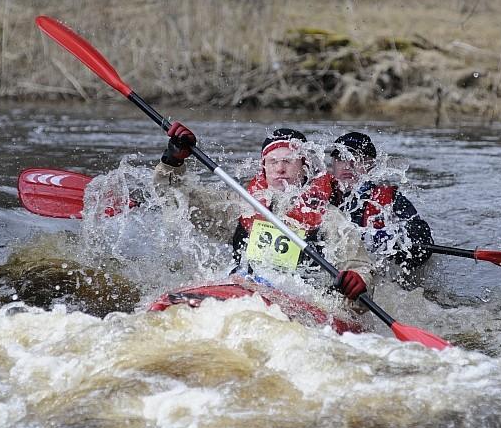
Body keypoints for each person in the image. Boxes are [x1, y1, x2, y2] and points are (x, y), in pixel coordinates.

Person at [153, 124, 375, 306]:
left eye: (288, 161)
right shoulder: (242, 205)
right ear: (264, 167)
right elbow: (178, 199)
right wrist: (173, 160)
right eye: (273, 161)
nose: (279, 169)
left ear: (305, 167)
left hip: (300, 302)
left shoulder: (329, 217)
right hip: (244, 291)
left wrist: (358, 281)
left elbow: (360, 267)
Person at [328, 132, 434, 290]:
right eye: (341, 158)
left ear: (372, 166)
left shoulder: (390, 200)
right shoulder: (315, 197)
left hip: (377, 282)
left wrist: (394, 238)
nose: (348, 164)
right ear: (333, 165)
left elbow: (423, 238)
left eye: (357, 158)